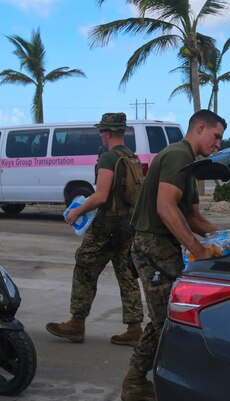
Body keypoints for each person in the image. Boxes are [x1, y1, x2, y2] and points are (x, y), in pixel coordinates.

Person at [121, 109, 226, 401]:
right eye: (216, 136)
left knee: (166, 319)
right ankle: (138, 382)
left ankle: (137, 381)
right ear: (200, 127)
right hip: (152, 246)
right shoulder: (177, 155)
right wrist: (199, 249)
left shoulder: (189, 164)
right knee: (166, 321)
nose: (218, 144)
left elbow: (193, 218)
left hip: (164, 248)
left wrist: (228, 238)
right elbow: (165, 208)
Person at [46, 112, 144, 346]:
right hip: (128, 224)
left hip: (106, 224)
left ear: (108, 133)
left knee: (84, 268)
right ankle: (134, 328)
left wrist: (77, 212)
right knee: (126, 273)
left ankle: (76, 323)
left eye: (102, 131)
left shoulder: (109, 158)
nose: (100, 134)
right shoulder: (132, 157)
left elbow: (100, 196)